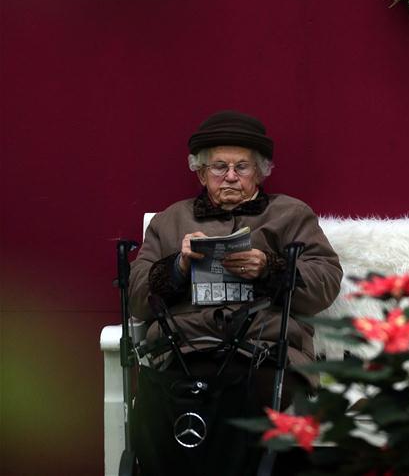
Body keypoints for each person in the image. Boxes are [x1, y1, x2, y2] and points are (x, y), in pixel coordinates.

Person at [129, 110, 342, 476]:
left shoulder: (290, 214)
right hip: (187, 349)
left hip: (264, 352)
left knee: (232, 398)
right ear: (199, 172)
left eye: (242, 167)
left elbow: (325, 281)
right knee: (177, 397)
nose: (230, 176)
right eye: (219, 167)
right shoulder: (170, 221)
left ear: (260, 172)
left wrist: (269, 267)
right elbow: (136, 296)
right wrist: (179, 266)